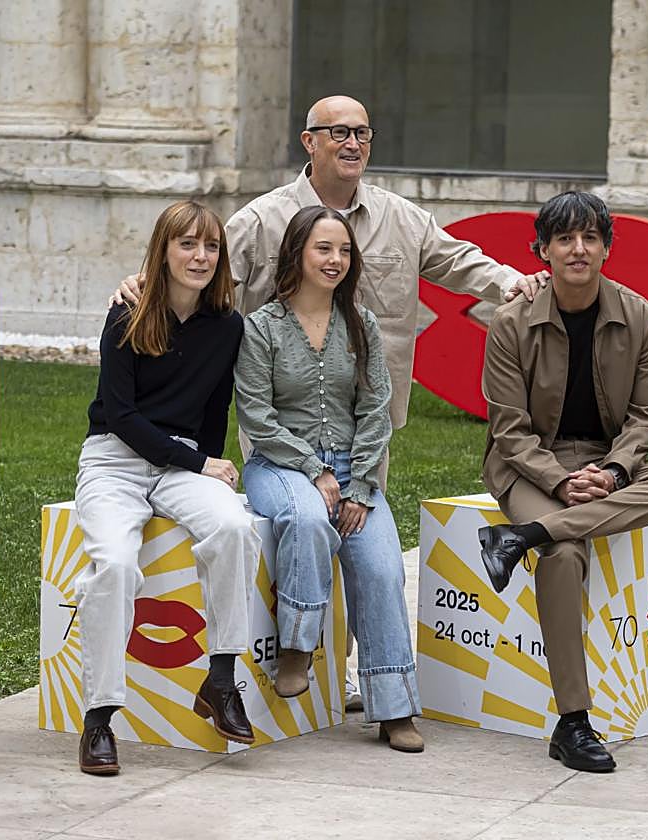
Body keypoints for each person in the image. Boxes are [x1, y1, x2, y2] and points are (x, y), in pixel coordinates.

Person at [113, 94, 547, 710]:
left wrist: (511, 280)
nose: (353, 144)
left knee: (365, 546)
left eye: (363, 133)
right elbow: (196, 269)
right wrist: (140, 285)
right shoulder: (262, 221)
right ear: (307, 141)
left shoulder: (401, 218)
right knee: (310, 526)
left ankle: (373, 690)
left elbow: (458, 262)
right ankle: (311, 663)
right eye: (338, 132)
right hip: (282, 433)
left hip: (368, 430)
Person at [477, 191, 648, 773]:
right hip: (530, 463)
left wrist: (615, 471)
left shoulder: (640, 315)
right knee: (565, 552)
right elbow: (509, 428)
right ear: (543, 250)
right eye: (565, 239)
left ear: (605, 247)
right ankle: (573, 722)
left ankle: (517, 538)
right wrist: (559, 480)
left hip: (607, 460)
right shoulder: (510, 323)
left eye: (590, 238)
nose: (578, 250)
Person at [73, 200, 260, 776]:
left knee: (234, 526)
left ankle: (221, 679)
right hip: (115, 460)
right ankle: (99, 718)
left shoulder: (227, 325)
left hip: (181, 467)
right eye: (187, 244)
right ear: (163, 250)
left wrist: (201, 463)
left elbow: (214, 406)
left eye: (210, 247)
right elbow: (123, 417)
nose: (200, 257)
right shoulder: (127, 314)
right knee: (115, 565)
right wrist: (198, 460)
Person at [235, 206, 423, 753]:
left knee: (384, 570)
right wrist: (313, 469)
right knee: (307, 516)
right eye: (324, 249)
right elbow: (255, 415)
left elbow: (375, 407)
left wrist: (362, 485)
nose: (335, 260)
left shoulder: (360, 323)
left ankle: (393, 708)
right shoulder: (260, 328)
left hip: (352, 469)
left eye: (343, 251)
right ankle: (298, 647)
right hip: (278, 464)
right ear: (296, 252)